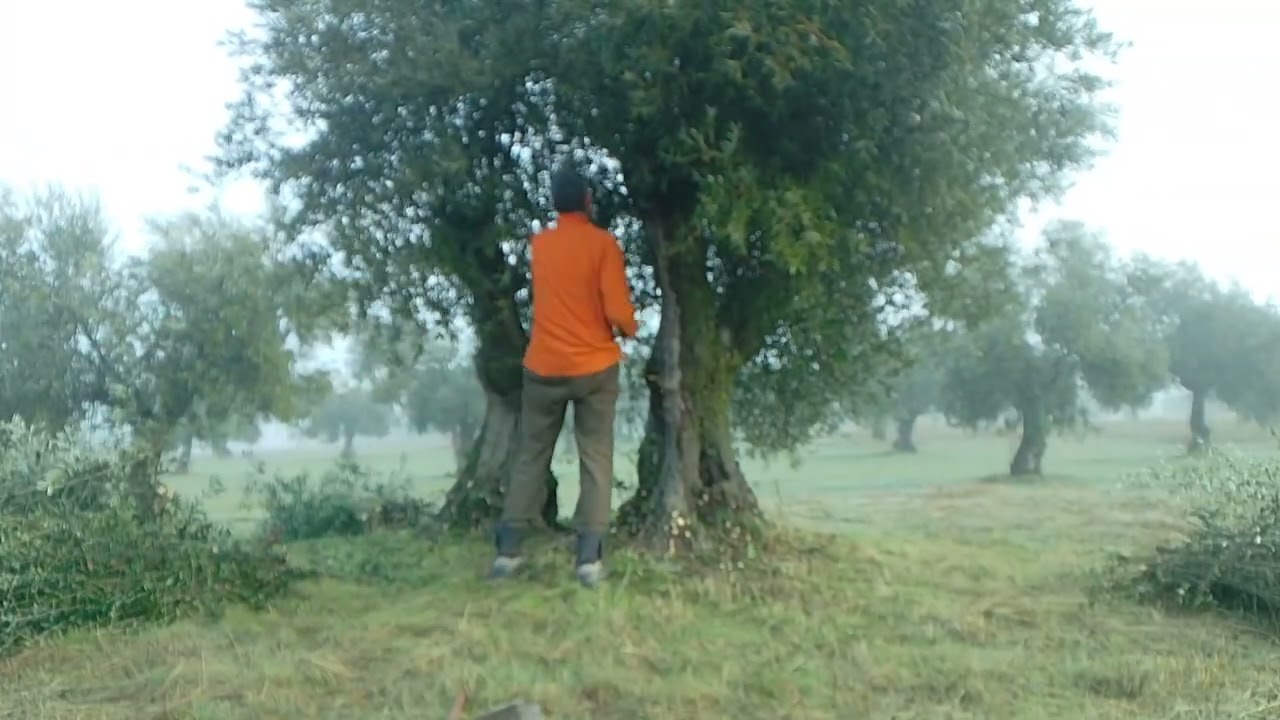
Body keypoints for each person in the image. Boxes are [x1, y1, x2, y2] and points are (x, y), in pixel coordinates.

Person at [489, 166, 638, 588]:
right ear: (588, 201)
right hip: (594, 368)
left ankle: (508, 552)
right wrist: (631, 326)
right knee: (595, 458)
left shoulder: (541, 246)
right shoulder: (602, 245)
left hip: (544, 366)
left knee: (531, 455)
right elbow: (615, 310)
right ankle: (588, 559)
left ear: (555, 203)